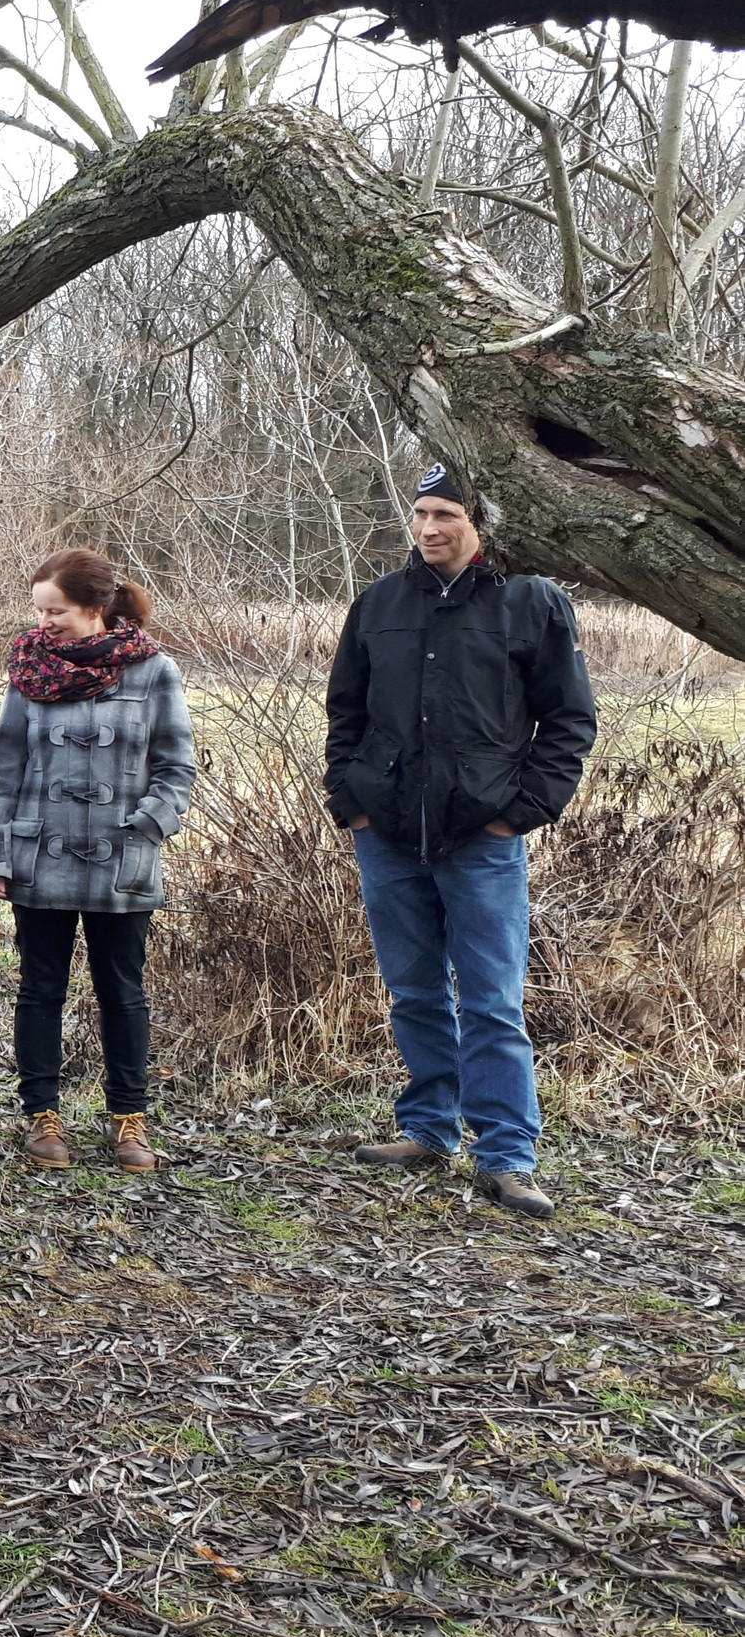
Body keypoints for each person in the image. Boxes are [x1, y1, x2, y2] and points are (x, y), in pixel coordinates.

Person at [327, 462, 596, 1219]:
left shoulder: (530, 601)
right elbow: (345, 712)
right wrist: (351, 803)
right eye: (420, 514)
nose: (428, 528)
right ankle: (427, 1128)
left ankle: (507, 1155)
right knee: (414, 992)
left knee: (491, 1001)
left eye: (445, 514)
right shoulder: (379, 603)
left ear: (480, 521)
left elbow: (568, 719)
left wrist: (519, 812)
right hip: (386, 833)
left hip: (481, 837)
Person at [0, 550, 197, 1174]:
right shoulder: (29, 670)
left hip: (123, 860)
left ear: (96, 608)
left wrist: (147, 826)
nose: (43, 623)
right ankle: (42, 1115)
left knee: (122, 991)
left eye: (56, 611)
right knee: (40, 988)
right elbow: (1, 772)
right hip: (37, 857)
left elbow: (177, 767)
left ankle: (129, 1118)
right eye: (39, 610)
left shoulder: (154, 671)